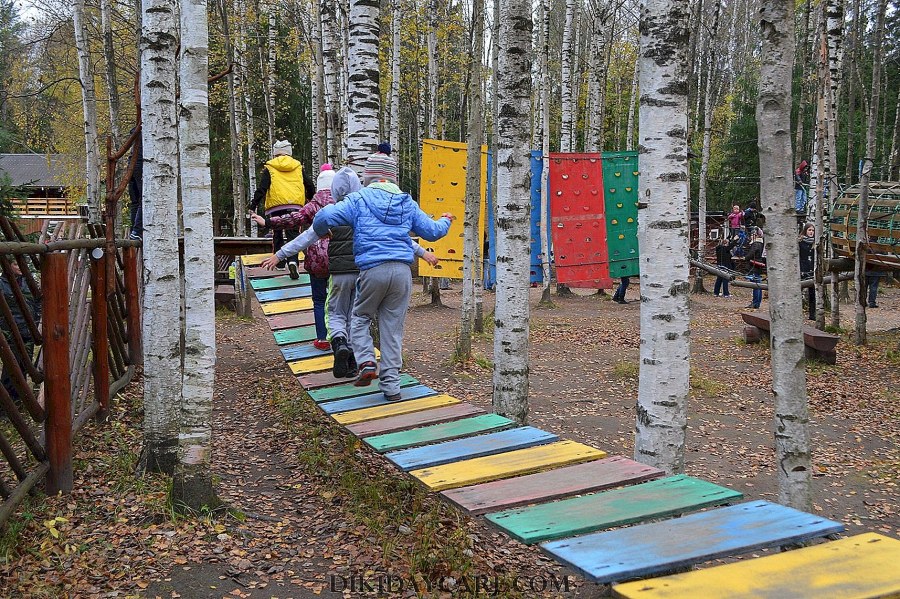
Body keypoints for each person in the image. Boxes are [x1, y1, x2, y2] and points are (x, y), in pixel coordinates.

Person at [253, 164, 336, 351]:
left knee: (319, 300)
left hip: (316, 259)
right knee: (339, 300)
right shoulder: (344, 204)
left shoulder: (313, 206)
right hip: (339, 257)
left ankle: (322, 339)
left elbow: (292, 219)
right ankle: (340, 339)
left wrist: (267, 222)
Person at [250, 140, 315, 278]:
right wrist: (311, 199)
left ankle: (279, 264)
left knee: (277, 232)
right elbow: (309, 184)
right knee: (293, 234)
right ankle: (293, 261)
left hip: (276, 204)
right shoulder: (298, 167)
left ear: (275, 153)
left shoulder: (270, 167)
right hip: (295, 204)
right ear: (289, 152)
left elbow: (262, 188)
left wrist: (253, 205)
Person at [1, 261, 41, 406]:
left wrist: (36, 321)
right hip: (10, 333)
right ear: (8, 265)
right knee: (11, 368)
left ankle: (20, 399)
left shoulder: (27, 282)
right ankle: (6, 405)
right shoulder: (2, 284)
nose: (20, 267)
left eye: (20, 264)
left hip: (27, 331)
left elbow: (38, 302)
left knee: (25, 363)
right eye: (16, 264)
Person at [127, 129, 143, 240]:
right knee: (145, 200)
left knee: (136, 201)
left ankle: (135, 230)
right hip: (141, 164)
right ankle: (137, 230)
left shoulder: (136, 131)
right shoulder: (148, 130)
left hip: (132, 165)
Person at [798, 223, 816, 320]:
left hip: (812, 269)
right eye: (809, 230)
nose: (811, 232)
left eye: (812, 230)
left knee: (812, 292)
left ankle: (812, 314)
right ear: (805, 230)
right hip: (802, 269)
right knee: (798, 290)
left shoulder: (815, 243)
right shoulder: (800, 242)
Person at [744, 231, 765, 309]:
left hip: (754, 266)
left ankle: (755, 302)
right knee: (758, 285)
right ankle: (757, 302)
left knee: (755, 285)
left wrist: (745, 258)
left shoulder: (756, 244)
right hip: (758, 266)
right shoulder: (761, 244)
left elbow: (751, 254)